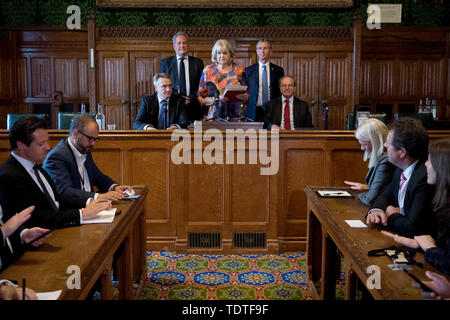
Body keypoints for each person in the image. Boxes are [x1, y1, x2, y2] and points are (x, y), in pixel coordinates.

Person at [0, 116, 112, 229]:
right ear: (21, 145)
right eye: (41, 143)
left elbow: (56, 200)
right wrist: (81, 214)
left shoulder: (36, 167)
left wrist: (88, 202)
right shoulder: (9, 175)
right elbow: (35, 218)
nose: (48, 147)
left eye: (46, 142)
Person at [381, 138, 450, 275]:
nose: (426, 165)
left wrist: (430, 248)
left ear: (441, 168)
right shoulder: (443, 201)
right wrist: (421, 244)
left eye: (430, 161)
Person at [366, 118, 436, 238]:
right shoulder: (400, 169)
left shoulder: (424, 178)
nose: (384, 145)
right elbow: (385, 195)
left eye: (388, 143)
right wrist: (376, 210)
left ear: (402, 152)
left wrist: (391, 215)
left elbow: (413, 228)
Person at [43, 114, 132, 203]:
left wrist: (114, 187)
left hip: (91, 208)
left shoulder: (84, 149)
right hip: (74, 211)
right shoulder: (57, 157)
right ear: (75, 134)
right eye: (90, 139)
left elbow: (98, 176)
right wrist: (98, 196)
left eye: (95, 139)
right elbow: (65, 192)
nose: (93, 143)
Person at [344, 118, 396, 207]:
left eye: (364, 145)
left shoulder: (386, 161)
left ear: (375, 142)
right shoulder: (381, 157)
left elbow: (370, 199)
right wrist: (368, 189)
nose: (361, 148)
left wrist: (359, 195)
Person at [198, 39, 248, 121]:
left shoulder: (240, 70)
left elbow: (248, 95)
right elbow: (201, 99)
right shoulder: (208, 71)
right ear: (215, 54)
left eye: (225, 53)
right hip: (213, 119)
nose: (222, 56)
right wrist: (216, 99)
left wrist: (243, 97)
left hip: (237, 118)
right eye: (219, 53)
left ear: (230, 54)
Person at [159, 31, 204, 122]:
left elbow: (201, 85)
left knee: (196, 135)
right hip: (173, 106)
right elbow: (162, 85)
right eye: (179, 43)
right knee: (174, 134)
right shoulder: (166, 63)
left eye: (184, 43)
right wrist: (180, 99)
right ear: (174, 46)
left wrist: (190, 98)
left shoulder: (198, 63)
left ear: (188, 45)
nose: (182, 46)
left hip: (194, 106)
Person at [244, 39, 284, 122]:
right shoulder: (248, 71)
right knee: (254, 135)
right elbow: (246, 91)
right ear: (256, 51)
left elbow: (281, 92)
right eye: (259, 48)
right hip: (254, 111)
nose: (262, 51)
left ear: (270, 51)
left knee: (272, 135)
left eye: (265, 48)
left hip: (272, 111)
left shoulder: (278, 70)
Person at [1, 205, 48, 272]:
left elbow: (6, 219)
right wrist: (3, 232)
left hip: (13, 265)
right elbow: (5, 229)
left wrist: (23, 233)